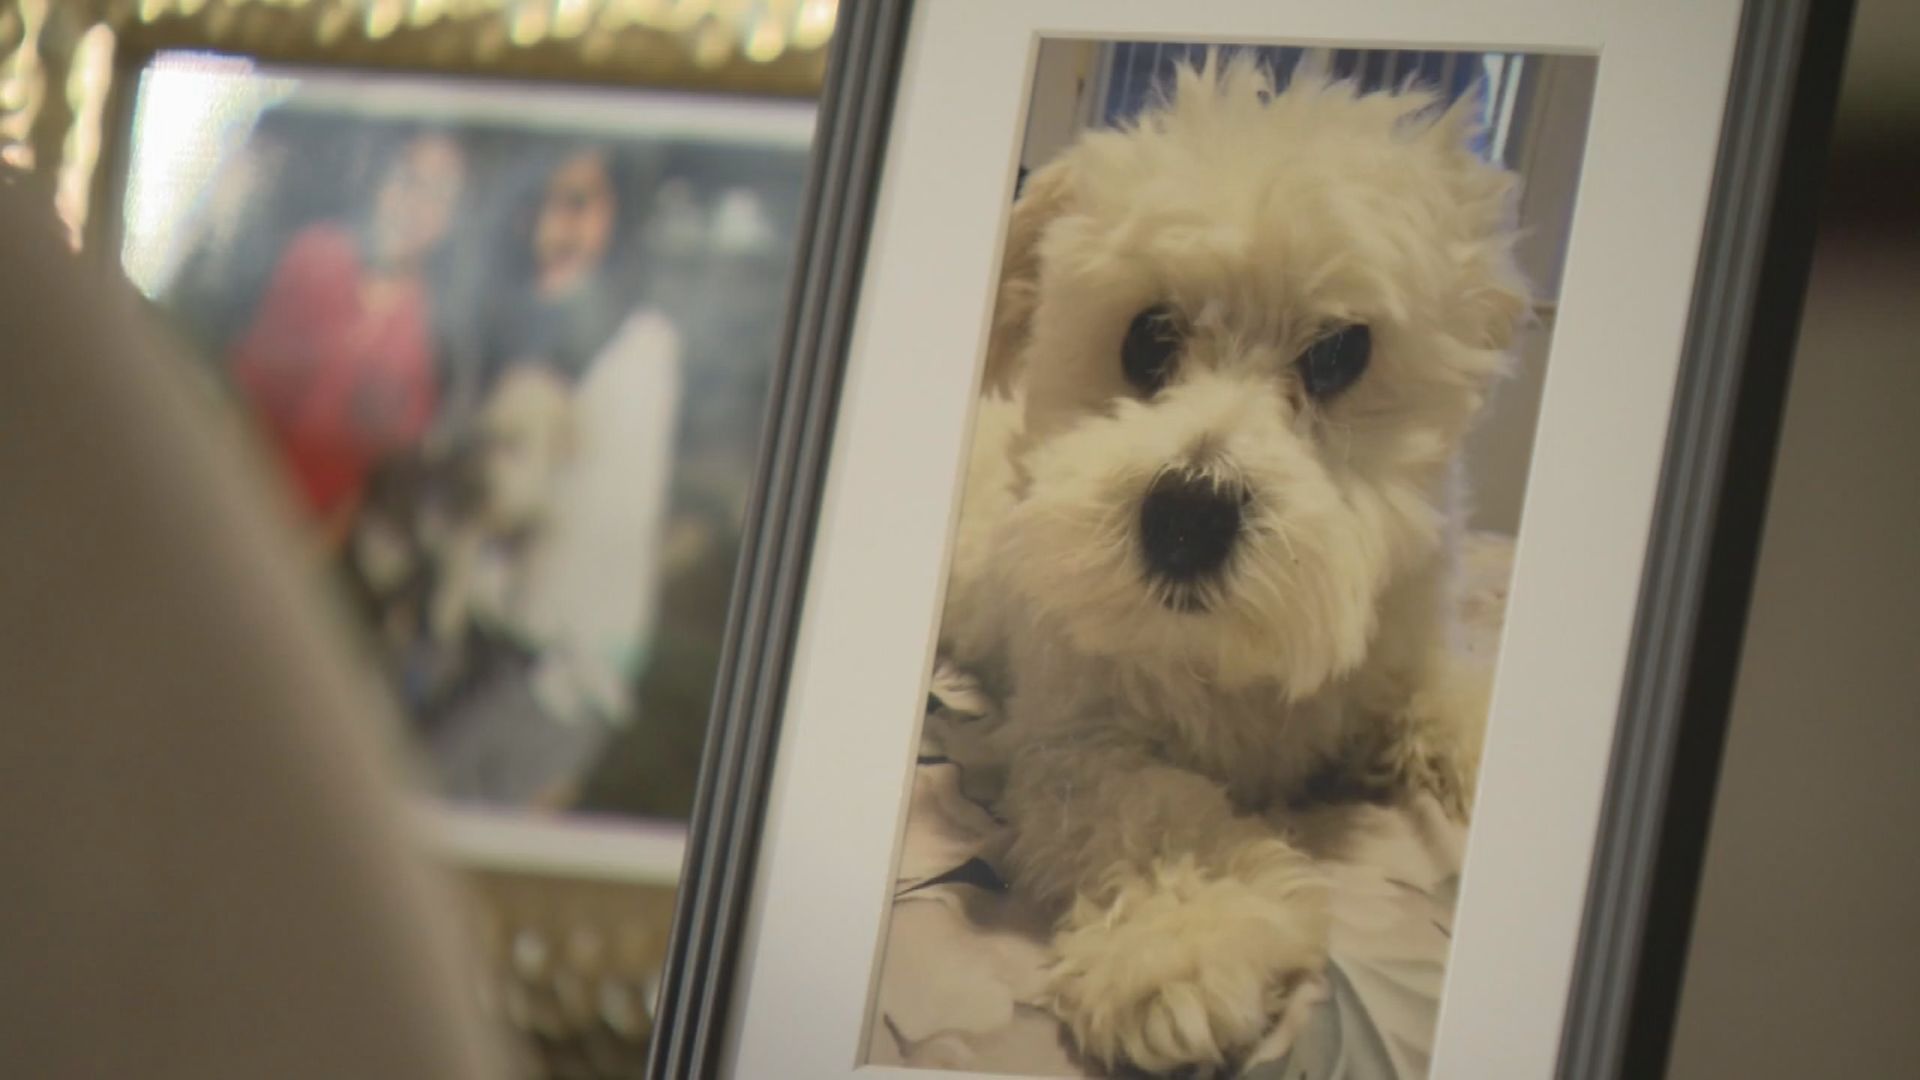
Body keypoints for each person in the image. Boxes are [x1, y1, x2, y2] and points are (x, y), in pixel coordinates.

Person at [426, 144, 684, 808]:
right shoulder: (517, 334)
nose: (548, 232)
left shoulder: (635, 355)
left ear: (617, 217)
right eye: (534, 206)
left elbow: (568, 526)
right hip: (485, 653)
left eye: (576, 205)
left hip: (553, 676)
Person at [228, 128, 467, 545]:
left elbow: (372, 483)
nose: (415, 205)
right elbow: (241, 393)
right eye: (410, 179)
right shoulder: (314, 257)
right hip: (230, 496)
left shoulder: (428, 339)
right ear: (383, 180)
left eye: (437, 197)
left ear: (449, 221)